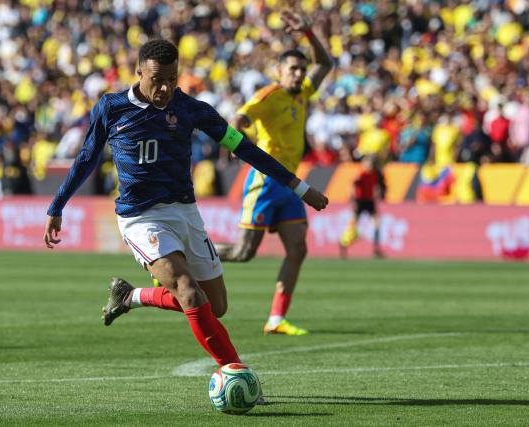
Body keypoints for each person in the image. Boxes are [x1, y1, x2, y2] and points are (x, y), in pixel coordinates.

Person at [43, 39, 329, 371]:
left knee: (216, 305)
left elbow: (246, 149)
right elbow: (85, 159)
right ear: (138, 73)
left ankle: (130, 296)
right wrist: (57, 205)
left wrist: (299, 186)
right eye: (156, 79)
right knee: (188, 292)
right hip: (140, 217)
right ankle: (235, 371)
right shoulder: (111, 107)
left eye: (172, 79)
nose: (164, 88)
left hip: (185, 212)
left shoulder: (193, 109)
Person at [214, 11, 333, 336]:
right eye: (292, 69)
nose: (299, 74)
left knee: (298, 249)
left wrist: (309, 33)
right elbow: (240, 117)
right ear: (279, 71)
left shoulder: (303, 94)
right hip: (266, 180)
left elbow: (326, 64)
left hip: (291, 184)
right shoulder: (269, 96)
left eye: (301, 69)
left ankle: (276, 319)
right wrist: (233, 139)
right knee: (243, 252)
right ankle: (181, 258)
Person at [339, 155, 385, 259]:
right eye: (368, 163)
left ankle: (376, 249)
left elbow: (376, 186)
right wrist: (353, 199)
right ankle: (344, 244)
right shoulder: (361, 174)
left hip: (369, 201)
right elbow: (354, 184)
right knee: (352, 225)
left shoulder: (375, 174)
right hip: (360, 201)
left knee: (377, 223)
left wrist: (377, 193)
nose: (369, 165)